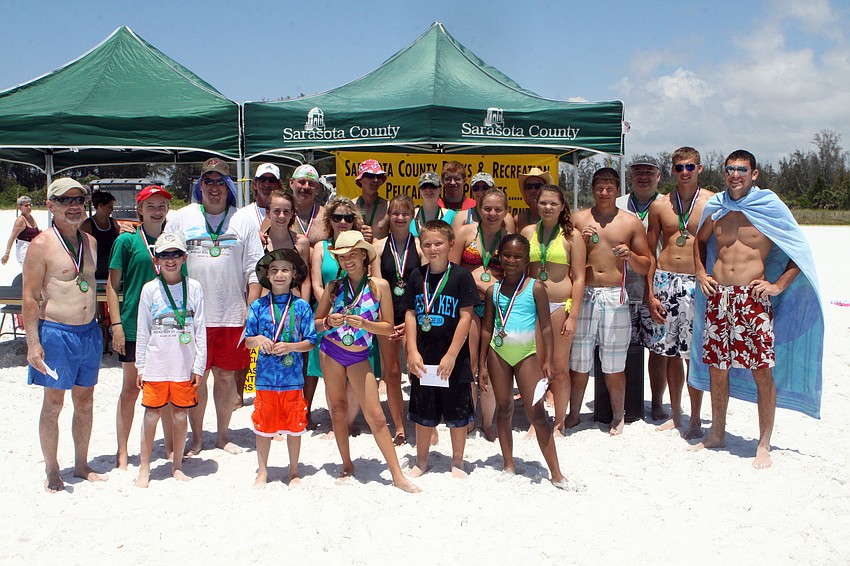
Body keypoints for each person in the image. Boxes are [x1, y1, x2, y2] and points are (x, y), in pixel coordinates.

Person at [690, 150, 823, 469]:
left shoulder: (769, 207)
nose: (735, 174)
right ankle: (717, 433)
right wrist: (699, 272)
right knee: (717, 368)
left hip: (752, 300)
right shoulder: (716, 207)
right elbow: (699, 240)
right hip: (719, 296)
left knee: (761, 370)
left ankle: (763, 443)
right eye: (730, 169)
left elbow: (798, 250)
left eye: (741, 169)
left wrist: (778, 286)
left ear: (754, 174)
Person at [166, 157, 264, 455]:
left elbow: (254, 270)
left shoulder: (243, 220)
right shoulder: (182, 218)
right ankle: (197, 438)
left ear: (229, 186)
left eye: (220, 181)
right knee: (196, 378)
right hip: (191, 316)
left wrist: (251, 310)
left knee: (225, 376)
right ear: (200, 185)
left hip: (231, 314)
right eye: (208, 181)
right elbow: (167, 263)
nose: (214, 187)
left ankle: (222, 435)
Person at [315, 230, 421, 493]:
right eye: (341, 257)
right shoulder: (333, 287)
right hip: (330, 350)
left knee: (375, 416)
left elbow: (388, 329)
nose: (347, 261)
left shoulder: (379, 286)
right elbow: (316, 324)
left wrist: (366, 324)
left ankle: (397, 475)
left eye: (352, 254)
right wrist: (329, 321)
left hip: (359, 354)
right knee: (338, 411)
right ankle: (347, 465)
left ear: (364, 254)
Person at [24, 177, 105, 493]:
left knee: (85, 400)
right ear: (51, 205)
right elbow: (30, 297)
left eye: (78, 200)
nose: (73, 206)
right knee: (54, 402)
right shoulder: (41, 245)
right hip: (56, 334)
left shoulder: (90, 241)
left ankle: (82, 464)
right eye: (65, 200)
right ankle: (53, 469)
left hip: (89, 333)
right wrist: (33, 343)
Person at [478, 234, 574, 490]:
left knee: (538, 413)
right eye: (507, 255)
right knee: (504, 408)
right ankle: (508, 463)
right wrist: (481, 364)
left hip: (526, 355)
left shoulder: (535, 287)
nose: (511, 260)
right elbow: (487, 329)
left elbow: (545, 327)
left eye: (518, 256)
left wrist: (548, 360)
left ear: (526, 259)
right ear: (499, 255)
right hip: (498, 354)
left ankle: (556, 473)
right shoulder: (492, 290)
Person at [568, 168, 652, 435]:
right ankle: (573, 413)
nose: (604, 192)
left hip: (616, 294)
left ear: (617, 190)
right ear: (592, 189)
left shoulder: (630, 222)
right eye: (599, 187)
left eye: (609, 188)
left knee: (614, 362)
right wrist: (578, 241)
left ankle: (618, 415)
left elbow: (646, 263)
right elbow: (563, 255)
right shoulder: (578, 219)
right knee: (578, 360)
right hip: (585, 293)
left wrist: (630, 256)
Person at [107, 185, 175, 469]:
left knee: (171, 390)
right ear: (140, 210)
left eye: (162, 205)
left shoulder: (174, 239)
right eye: (151, 206)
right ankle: (122, 452)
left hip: (169, 326)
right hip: (135, 324)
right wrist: (117, 325)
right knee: (131, 389)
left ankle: (171, 447)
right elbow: (112, 287)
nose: (157, 210)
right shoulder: (127, 240)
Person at [645, 148, 712, 437]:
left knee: (693, 353)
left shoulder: (712, 202)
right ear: (671, 170)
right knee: (670, 352)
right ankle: (676, 412)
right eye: (679, 167)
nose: (684, 172)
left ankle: (696, 416)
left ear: (699, 168)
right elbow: (649, 252)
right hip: (666, 280)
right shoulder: (660, 205)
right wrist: (650, 293)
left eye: (689, 167)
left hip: (697, 282)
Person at [404, 220, 477, 477]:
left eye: (438, 243)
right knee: (423, 412)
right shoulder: (416, 276)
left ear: (451, 244)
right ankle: (421, 460)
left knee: (457, 413)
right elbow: (411, 314)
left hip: (453, 359)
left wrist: (452, 355)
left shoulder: (461, 276)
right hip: (424, 357)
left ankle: (457, 461)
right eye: (427, 244)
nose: (432, 248)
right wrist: (412, 350)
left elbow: (466, 318)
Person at [134, 232, 206, 488]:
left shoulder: (194, 287)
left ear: (184, 257)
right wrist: (140, 366)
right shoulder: (149, 289)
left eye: (175, 254)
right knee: (151, 415)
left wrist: (199, 365)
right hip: (156, 365)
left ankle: (176, 465)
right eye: (164, 255)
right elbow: (143, 330)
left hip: (183, 366)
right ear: (157, 260)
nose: (170, 260)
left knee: (179, 415)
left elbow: (200, 329)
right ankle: (144, 467)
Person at [246, 249, 317, 487]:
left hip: (293, 379)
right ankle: (262, 471)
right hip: (265, 379)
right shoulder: (257, 306)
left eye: (285, 270)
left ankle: (294, 470)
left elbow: (310, 342)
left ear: (294, 274)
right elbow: (247, 340)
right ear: (267, 275)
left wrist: (292, 346)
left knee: (294, 427)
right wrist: (258, 340)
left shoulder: (302, 307)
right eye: (274, 270)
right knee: (263, 427)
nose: (279, 275)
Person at [520, 184, 586, 436]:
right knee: (534, 367)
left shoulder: (573, 237)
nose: (547, 207)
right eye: (543, 203)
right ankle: (535, 421)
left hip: (560, 306)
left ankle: (558, 422)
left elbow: (579, 278)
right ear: (536, 205)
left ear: (562, 207)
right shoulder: (527, 233)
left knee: (559, 368)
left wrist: (573, 316)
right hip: (532, 306)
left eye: (553, 203)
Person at [450, 187, 511, 440]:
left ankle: (488, 421)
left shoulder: (509, 238)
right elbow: (452, 269)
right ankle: (468, 416)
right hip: (468, 304)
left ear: (506, 211)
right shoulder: (465, 232)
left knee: (491, 364)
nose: (492, 213)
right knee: (470, 362)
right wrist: (476, 285)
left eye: (498, 209)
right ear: (478, 208)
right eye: (487, 208)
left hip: (496, 306)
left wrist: (494, 291)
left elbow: (516, 274)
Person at [308, 196, 366, 430]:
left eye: (348, 217)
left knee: (354, 372)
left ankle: (348, 422)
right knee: (330, 373)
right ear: (329, 220)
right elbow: (316, 284)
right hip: (328, 313)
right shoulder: (320, 248)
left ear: (354, 221)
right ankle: (336, 422)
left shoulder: (361, 246)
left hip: (357, 314)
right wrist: (331, 307)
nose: (342, 221)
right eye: (337, 217)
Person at [616, 155, 664, 420]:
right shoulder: (618, 204)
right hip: (623, 286)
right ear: (631, 175)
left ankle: (656, 403)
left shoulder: (667, 204)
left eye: (649, 172)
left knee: (658, 349)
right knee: (623, 347)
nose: (643, 176)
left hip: (656, 288)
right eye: (638, 171)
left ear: (658, 176)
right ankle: (627, 401)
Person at [372, 194, 422, 445]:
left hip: (414, 316)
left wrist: (411, 319)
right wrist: (390, 322)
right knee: (391, 373)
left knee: (417, 371)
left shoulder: (422, 245)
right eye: (395, 213)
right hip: (388, 318)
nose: (400, 218)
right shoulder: (379, 247)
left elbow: (425, 287)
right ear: (389, 216)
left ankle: (424, 422)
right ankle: (400, 426)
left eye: (405, 213)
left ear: (412, 216)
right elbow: (379, 287)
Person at [265, 190, 311, 301]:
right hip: (264, 307)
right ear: (268, 213)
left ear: (292, 214)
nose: (281, 216)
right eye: (276, 211)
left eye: (286, 211)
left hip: (293, 306)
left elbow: (305, 280)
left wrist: (304, 308)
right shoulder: (259, 241)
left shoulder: (301, 242)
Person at [451, 172, 516, 233]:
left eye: (485, 187)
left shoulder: (506, 218)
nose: (480, 191)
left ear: (493, 189)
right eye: (476, 188)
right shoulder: (461, 217)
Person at [235, 162, 282, 240]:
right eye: (262, 180)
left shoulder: (285, 213)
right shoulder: (243, 214)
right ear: (255, 185)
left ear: (278, 185)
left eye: (271, 180)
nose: (267, 184)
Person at [81, 191, 120, 281]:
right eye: (109, 207)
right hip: (96, 269)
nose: (112, 209)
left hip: (112, 266)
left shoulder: (113, 222)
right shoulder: (87, 225)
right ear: (100, 206)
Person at [290, 164, 327, 246]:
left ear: (317, 188)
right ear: (291, 183)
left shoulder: (327, 216)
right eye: (302, 182)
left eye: (311, 183)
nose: (306, 187)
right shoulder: (278, 213)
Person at [355, 159, 390, 242]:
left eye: (378, 177)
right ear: (361, 179)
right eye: (370, 176)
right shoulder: (351, 206)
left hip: (379, 254)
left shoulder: (388, 207)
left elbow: (397, 237)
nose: (375, 180)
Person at [411, 171, 454, 237]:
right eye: (424, 186)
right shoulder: (410, 215)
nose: (428, 190)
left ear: (440, 190)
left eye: (432, 186)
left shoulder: (451, 215)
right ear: (419, 190)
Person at [3, 195, 40, 266]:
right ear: (20, 207)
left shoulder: (31, 217)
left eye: (30, 205)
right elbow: (12, 238)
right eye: (26, 206)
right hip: (24, 249)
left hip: (33, 248)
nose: (29, 207)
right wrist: (7, 254)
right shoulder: (20, 220)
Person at [514, 167, 554, 232]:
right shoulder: (519, 220)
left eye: (538, 186)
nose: (533, 190)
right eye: (529, 187)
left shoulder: (559, 218)